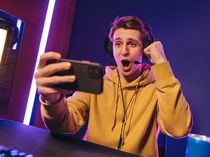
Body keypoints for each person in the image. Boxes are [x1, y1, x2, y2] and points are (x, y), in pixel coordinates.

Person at [35, 16, 192, 157]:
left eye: (132, 44)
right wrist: (52, 100)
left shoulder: (159, 87)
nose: (124, 51)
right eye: (118, 44)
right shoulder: (98, 83)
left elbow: (178, 129)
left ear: (143, 51)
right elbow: (63, 123)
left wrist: (161, 64)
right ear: (111, 49)